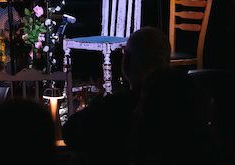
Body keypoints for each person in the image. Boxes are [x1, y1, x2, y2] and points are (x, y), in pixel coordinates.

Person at [62, 26, 171, 164]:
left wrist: (99, 102)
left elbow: (70, 132)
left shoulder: (112, 108)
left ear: (126, 61)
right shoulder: (184, 107)